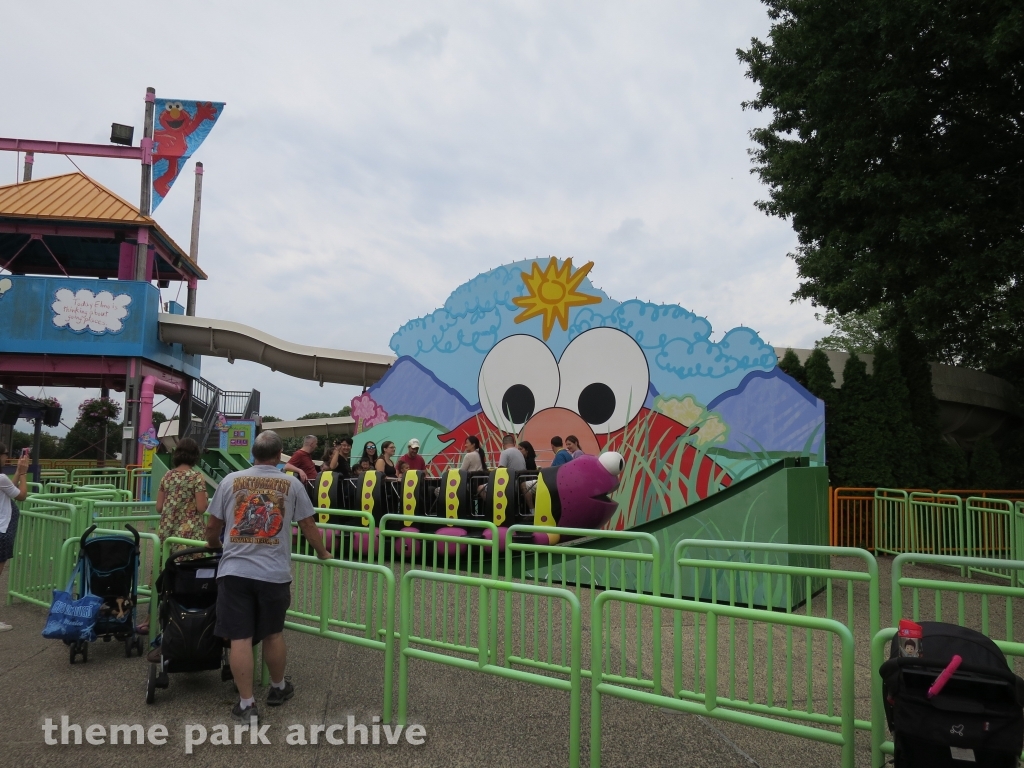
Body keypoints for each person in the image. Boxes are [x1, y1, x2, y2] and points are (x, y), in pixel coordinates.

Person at [205, 430, 330, 723]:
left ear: (253, 452)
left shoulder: (230, 481)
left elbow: (212, 527)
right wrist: (323, 553)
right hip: (274, 573)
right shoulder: (291, 484)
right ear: (278, 456)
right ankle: (277, 688)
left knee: (240, 636)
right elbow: (308, 525)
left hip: (234, 571)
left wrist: (215, 546)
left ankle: (247, 704)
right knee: (273, 633)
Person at [156, 437, 208, 546]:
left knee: (167, 561)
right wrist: (206, 497)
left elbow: (159, 508)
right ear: (195, 455)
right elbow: (201, 508)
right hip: (190, 532)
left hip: (168, 530)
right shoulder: (196, 477)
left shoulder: (167, 476)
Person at [0, 444, 29, 632]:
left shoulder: (2, 480)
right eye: (4, 455)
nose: (6, 458)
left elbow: (8, 488)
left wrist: (18, 471)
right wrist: (25, 474)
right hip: (2, 530)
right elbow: (21, 496)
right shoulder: (0, 478)